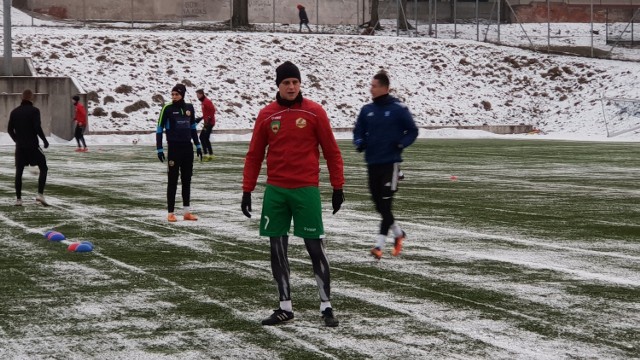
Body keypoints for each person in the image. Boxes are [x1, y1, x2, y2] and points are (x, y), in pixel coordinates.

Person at [241, 61, 344, 327]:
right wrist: (247, 189)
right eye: (286, 82)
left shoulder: (314, 112)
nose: (291, 87)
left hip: (306, 189)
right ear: (278, 85)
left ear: (300, 84)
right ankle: (284, 306)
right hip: (276, 190)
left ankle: (326, 305)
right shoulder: (266, 115)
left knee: (314, 247)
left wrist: (337, 187)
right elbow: (254, 155)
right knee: (277, 249)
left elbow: (332, 151)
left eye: (295, 82)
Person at [353, 71, 418, 260]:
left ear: (384, 87)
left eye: (373, 85)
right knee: (378, 204)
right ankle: (398, 233)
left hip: (391, 164)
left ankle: (378, 247)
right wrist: (359, 142)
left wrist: (401, 144)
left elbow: (412, 131)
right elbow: (358, 131)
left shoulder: (398, 108)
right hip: (372, 163)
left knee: (385, 203)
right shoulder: (367, 110)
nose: (370, 89)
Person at [156, 84, 203, 222]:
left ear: (182, 94)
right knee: (172, 180)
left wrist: (198, 145)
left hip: (187, 149)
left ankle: (186, 212)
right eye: (172, 94)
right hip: (174, 149)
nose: (174, 97)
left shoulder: (189, 108)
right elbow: (159, 129)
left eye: (176, 94)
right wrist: (159, 148)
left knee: (187, 180)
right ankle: (170, 213)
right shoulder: (167, 108)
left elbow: (193, 128)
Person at [7, 89, 50, 206]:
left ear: (22, 97)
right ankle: (40, 195)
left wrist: (17, 140)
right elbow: (37, 127)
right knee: (44, 168)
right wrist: (44, 140)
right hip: (33, 146)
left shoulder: (14, 112)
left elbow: (9, 130)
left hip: (20, 147)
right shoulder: (34, 111)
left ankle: (18, 199)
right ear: (31, 98)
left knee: (19, 171)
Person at [195, 89, 216, 161]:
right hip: (207, 123)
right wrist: (200, 119)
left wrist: (209, 119)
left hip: (209, 123)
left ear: (201, 94)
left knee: (203, 137)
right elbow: (207, 113)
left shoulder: (207, 101)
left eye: (197, 95)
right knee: (204, 138)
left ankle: (207, 154)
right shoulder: (203, 102)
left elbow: (213, 110)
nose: (197, 96)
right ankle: (209, 154)